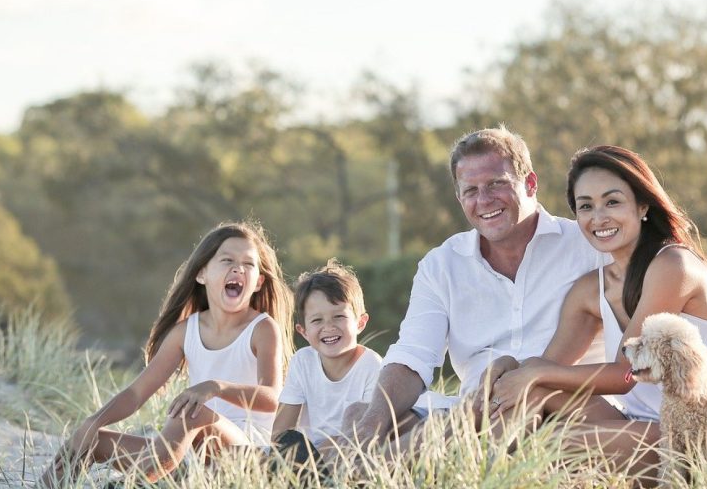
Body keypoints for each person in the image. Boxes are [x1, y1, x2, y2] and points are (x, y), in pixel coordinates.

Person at [487, 145, 707, 473]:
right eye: (586, 206)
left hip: (699, 435)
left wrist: (535, 371)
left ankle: (501, 468)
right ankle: (479, 468)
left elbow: (626, 373)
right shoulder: (590, 289)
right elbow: (551, 368)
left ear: (643, 205)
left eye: (612, 201)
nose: (599, 217)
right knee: (535, 392)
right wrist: (514, 368)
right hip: (638, 422)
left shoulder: (672, 265)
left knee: (550, 443)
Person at [347, 126, 609, 450]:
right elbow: (412, 356)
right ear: (459, 198)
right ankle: (338, 467)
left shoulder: (589, 247)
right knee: (362, 415)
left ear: (530, 183)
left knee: (409, 436)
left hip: (558, 407)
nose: (484, 200)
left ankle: (354, 471)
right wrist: (371, 426)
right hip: (472, 411)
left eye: (497, 184)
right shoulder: (441, 265)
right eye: (470, 190)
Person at [39, 221, 293, 486]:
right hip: (186, 454)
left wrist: (216, 387)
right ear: (201, 274)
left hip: (248, 452)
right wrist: (92, 422)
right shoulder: (186, 331)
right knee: (89, 439)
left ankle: (132, 484)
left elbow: (272, 398)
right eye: (227, 259)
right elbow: (136, 394)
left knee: (192, 412)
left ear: (258, 282)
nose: (238, 268)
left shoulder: (262, 328)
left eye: (249, 264)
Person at [272, 259, 382, 449]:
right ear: (304, 331)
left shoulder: (372, 366)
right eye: (317, 320)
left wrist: (323, 452)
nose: (328, 327)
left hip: (352, 452)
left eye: (339, 316)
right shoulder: (303, 362)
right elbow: (280, 431)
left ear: (360, 323)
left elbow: (368, 434)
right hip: (309, 455)